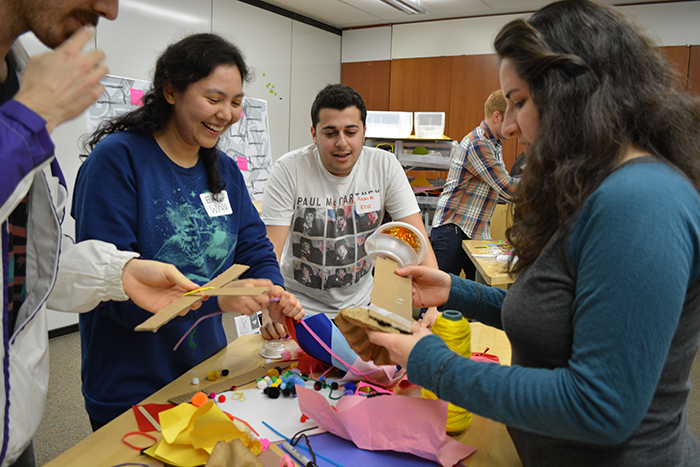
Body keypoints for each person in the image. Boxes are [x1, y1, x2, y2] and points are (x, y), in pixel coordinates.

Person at [366, 1, 700, 466]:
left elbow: (600, 406)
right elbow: (560, 320)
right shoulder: (598, 186)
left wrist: (434, 363)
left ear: (573, 92)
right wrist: (457, 291)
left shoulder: (641, 200)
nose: (510, 126)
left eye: (520, 102)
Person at [0, 1, 211, 465]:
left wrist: (120, 274)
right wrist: (25, 123)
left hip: (13, 422)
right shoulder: (106, 151)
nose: (109, 11)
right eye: (214, 98)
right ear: (171, 94)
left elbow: (23, 259)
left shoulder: (17, 81)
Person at [72, 33, 303, 430]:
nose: (226, 114)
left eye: (235, 102)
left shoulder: (225, 171)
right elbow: (113, 291)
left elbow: (254, 246)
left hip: (205, 371)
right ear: (171, 91)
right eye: (214, 100)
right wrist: (223, 301)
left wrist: (271, 291)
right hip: (131, 383)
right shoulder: (117, 161)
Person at [261, 83, 439, 338]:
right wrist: (269, 306)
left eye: (351, 132)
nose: (341, 143)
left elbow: (415, 237)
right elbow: (269, 251)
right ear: (314, 133)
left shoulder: (384, 165)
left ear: (364, 131)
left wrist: (431, 304)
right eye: (330, 132)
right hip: (299, 310)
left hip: (362, 308)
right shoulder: (289, 169)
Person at [430, 90, 518, 280]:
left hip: (474, 232)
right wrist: (543, 186)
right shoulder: (478, 144)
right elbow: (508, 188)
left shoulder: (494, 144)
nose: (515, 126)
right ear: (497, 116)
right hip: (453, 229)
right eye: (511, 119)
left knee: (475, 294)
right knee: (436, 297)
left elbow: (499, 189)